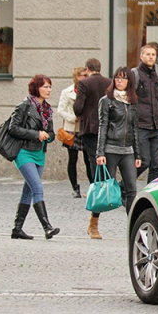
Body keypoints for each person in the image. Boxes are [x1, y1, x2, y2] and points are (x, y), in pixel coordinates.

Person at [8, 74, 60, 240]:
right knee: (37, 187)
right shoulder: (24, 106)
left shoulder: (47, 109)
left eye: (50, 86)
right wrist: (36, 134)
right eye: (45, 86)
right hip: (23, 152)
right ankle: (47, 227)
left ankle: (17, 229)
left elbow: (51, 134)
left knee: (29, 191)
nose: (49, 90)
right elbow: (13, 128)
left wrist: (48, 136)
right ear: (36, 88)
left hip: (39, 153)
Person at [96, 67, 142, 214]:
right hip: (110, 149)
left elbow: (134, 128)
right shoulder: (106, 101)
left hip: (128, 150)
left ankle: (132, 227)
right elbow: (102, 126)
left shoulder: (132, 101)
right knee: (105, 188)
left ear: (129, 81)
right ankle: (94, 220)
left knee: (132, 189)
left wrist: (138, 154)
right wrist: (100, 153)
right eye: (117, 78)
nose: (119, 81)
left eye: (123, 78)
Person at [74, 58, 111, 239]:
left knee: (95, 172)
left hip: (90, 131)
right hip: (109, 131)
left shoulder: (84, 84)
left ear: (88, 69)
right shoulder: (109, 83)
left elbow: (78, 108)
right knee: (104, 171)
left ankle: (94, 220)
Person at [56, 66, 93, 197]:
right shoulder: (67, 91)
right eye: (83, 75)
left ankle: (92, 188)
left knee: (89, 159)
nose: (85, 77)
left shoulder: (89, 90)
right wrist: (72, 118)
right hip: (71, 129)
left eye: (86, 75)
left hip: (85, 128)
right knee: (73, 159)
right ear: (77, 77)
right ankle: (75, 188)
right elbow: (60, 109)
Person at [132, 44, 158, 183]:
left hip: (156, 126)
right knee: (144, 161)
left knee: (155, 165)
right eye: (148, 54)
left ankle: (151, 194)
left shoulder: (157, 75)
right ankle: (124, 187)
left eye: (153, 54)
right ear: (141, 56)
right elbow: (130, 99)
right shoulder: (135, 74)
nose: (151, 57)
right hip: (141, 125)